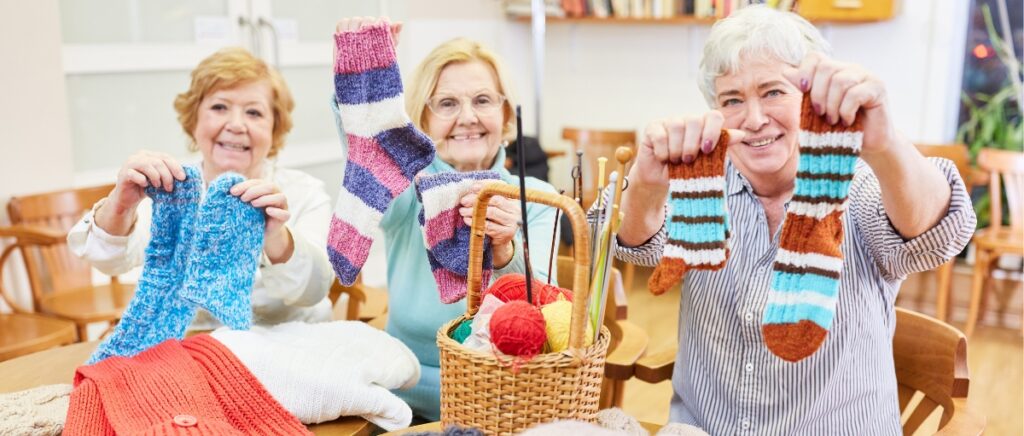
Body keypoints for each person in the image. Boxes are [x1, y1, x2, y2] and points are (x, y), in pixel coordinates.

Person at [610, 6, 976, 434]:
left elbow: (937, 232)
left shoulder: (853, 187)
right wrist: (646, 185)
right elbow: (631, 240)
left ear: (811, 99)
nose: (754, 118)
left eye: (773, 92)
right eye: (732, 100)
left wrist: (885, 143)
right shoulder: (702, 185)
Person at [330, 17, 560, 421]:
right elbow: (368, 158)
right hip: (404, 392)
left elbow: (544, 311)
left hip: (501, 396)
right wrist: (357, 77)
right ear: (424, 118)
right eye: (448, 103)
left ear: (506, 116)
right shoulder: (407, 182)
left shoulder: (538, 197)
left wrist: (505, 250)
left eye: (484, 100)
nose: (468, 117)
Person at [68, 47, 335, 332]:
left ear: (274, 129)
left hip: (290, 342)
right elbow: (109, 261)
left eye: (254, 112)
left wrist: (276, 236)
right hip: (192, 346)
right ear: (194, 120)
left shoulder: (305, 193)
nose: (235, 125)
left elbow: (313, 290)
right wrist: (120, 205)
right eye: (219, 107)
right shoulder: (173, 189)